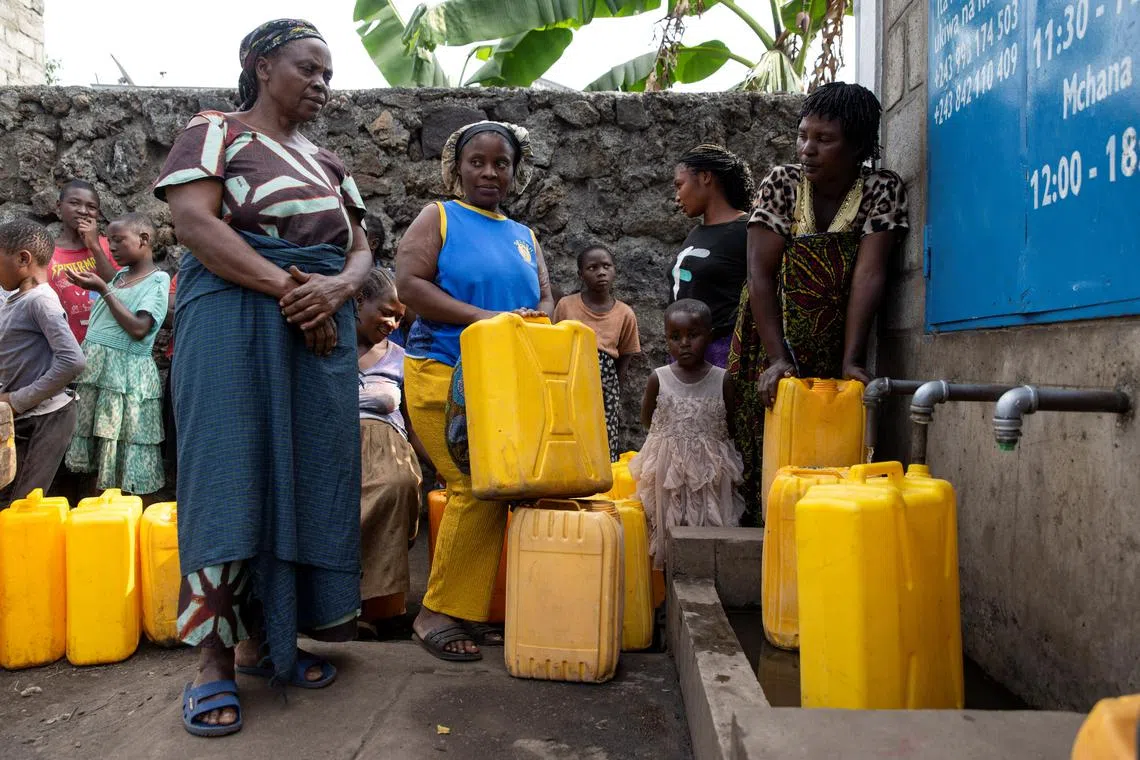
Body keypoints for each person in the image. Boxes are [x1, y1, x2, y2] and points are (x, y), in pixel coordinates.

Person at [154, 19, 372, 737]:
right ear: (260, 63)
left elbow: (363, 248)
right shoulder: (216, 130)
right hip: (232, 322)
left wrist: (334, 294)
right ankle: (214, 660)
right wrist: (292, 289)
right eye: (308, 68)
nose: (320, 84)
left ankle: (269, 642)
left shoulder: (331, 162)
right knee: (227, 475)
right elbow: (195, 223)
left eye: (328, 75)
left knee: (308, 476)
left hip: (318, 330)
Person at [396, 119, 553, 661]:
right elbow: (409, 286)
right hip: (442, 372)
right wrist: (487, 319)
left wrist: (537, 321)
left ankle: (463, 607)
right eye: (477, 162)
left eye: (501, 163)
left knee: (498, 487)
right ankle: (435, 612)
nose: (489, 172)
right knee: (470, 484)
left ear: (515, 171)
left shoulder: (524, 236)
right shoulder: (439, 216)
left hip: (503, 384)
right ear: (456, 168)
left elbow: (546, 301)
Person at [727, 82, 909, 526]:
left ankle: (820, 525)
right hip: (770, 331)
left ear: (859, 146)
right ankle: (766, 527)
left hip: (835, 333)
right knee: (763, 434)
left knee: (826, 438)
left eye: (824, 139)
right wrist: (776, 358)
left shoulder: (881, 189)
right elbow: (761, 275)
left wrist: (850, 359)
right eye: (803, 135)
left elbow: (869, 274)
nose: (807, 148)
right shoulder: (783, 184)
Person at [631, 299, 743, 567]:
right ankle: (668, 594)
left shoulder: (722, 379)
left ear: (710, 336)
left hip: (709, 473)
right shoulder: (658, 378)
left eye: (693, 335)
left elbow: (731, 423)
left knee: (708, 524)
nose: (684, 343)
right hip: (667, 471)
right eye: (675, 337)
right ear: (666, 339)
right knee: (667, 526)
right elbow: (648, 420)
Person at [63, 213, 169, 496]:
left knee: (119, 449)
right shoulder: (122, 276)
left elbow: (139, 328)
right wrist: (101, 284)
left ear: (144, 240)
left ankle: (119, 519)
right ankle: (92, 517)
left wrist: (102, 289)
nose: (113, 247)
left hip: (123, 378)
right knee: (95, 451)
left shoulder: (157, 281)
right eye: (109, 241)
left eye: (119, 240)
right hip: (99, 375)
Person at [356, 267, 430, 627]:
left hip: (387, 443)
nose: (392, 323)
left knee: (396, 485)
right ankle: (331, 606)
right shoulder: (325, 347)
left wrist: (446, 468)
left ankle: (377, 607)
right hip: (335, 445)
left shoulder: (400, 358)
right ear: (358, 302)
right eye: (386, 312)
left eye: (400, 317)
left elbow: (415, 425)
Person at [0, 219, 85, 506]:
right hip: (24, 416)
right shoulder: (15, 300)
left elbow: (73, 361)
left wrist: (17, 399)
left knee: (20, 504)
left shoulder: (40, 301)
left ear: (23, 259)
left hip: (47, 416)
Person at [669, 145, 755, 368]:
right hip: (684, 357)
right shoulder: (696, 233)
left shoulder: (746, 231)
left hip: (720, 356)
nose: (677, 197)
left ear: (706, 177)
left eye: (680, 185)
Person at [552, 244, 640, 461]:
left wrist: (613, 389)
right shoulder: (566, 306)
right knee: (569, 430)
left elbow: (626, 354)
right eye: (592, 268)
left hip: (605, 384)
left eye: (606, 266)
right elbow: (553, 343)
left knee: (603, 433)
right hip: (569, 378)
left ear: (614, 270)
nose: (601, 272)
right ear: (580, 274)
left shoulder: (624, 313)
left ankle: (604, 483)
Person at [47, 180, 119, 344]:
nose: (83, 211)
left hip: (105, 343)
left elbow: (118, 287)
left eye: (91, 207)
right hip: (66, 345)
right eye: (74, 203)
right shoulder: (47, 252)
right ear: (59, 206)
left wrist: (94, 246)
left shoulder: (109, 247)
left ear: (98, 214)